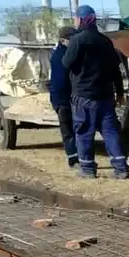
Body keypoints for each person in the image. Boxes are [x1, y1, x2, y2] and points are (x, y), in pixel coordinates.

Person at [61, 5, 127, 178]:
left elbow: (66, 64)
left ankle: (88, 169)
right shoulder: (105, 41)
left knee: (84, 133)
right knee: (111, 133)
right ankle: (121, 168)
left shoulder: (77, 40)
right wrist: (120, 92)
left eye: (76, 18)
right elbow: (115, 69)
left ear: (81, 19)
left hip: (84, 96)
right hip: (105, 96)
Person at [49, 25, 78, 168]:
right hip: (63, 99)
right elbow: (61, 81)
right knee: (68, 130)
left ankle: (77, 156)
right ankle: (73, 158)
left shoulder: (63, 53)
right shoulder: (61, 56)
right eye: (72, 38)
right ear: (63, 40)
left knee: (73, 129)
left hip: (64, 98)